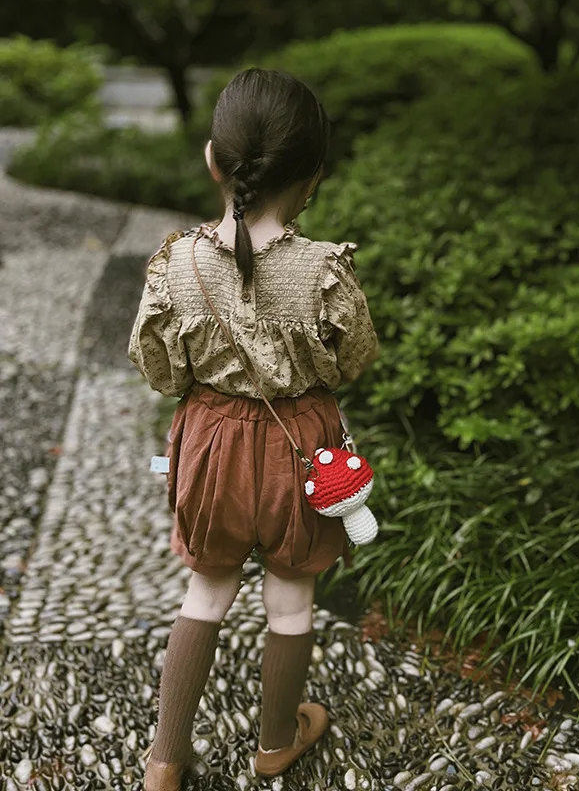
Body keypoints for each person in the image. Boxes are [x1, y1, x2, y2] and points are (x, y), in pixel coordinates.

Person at [127, 67, 380, 791]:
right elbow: (355, 357)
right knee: (290, 599)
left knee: (204, 594)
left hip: (209, 447)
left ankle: (164, 761)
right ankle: (276, 741)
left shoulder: (174, 265)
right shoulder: (325, 271)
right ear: (314, 177)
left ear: (214, 159)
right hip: (300, 450)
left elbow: (158, 369)